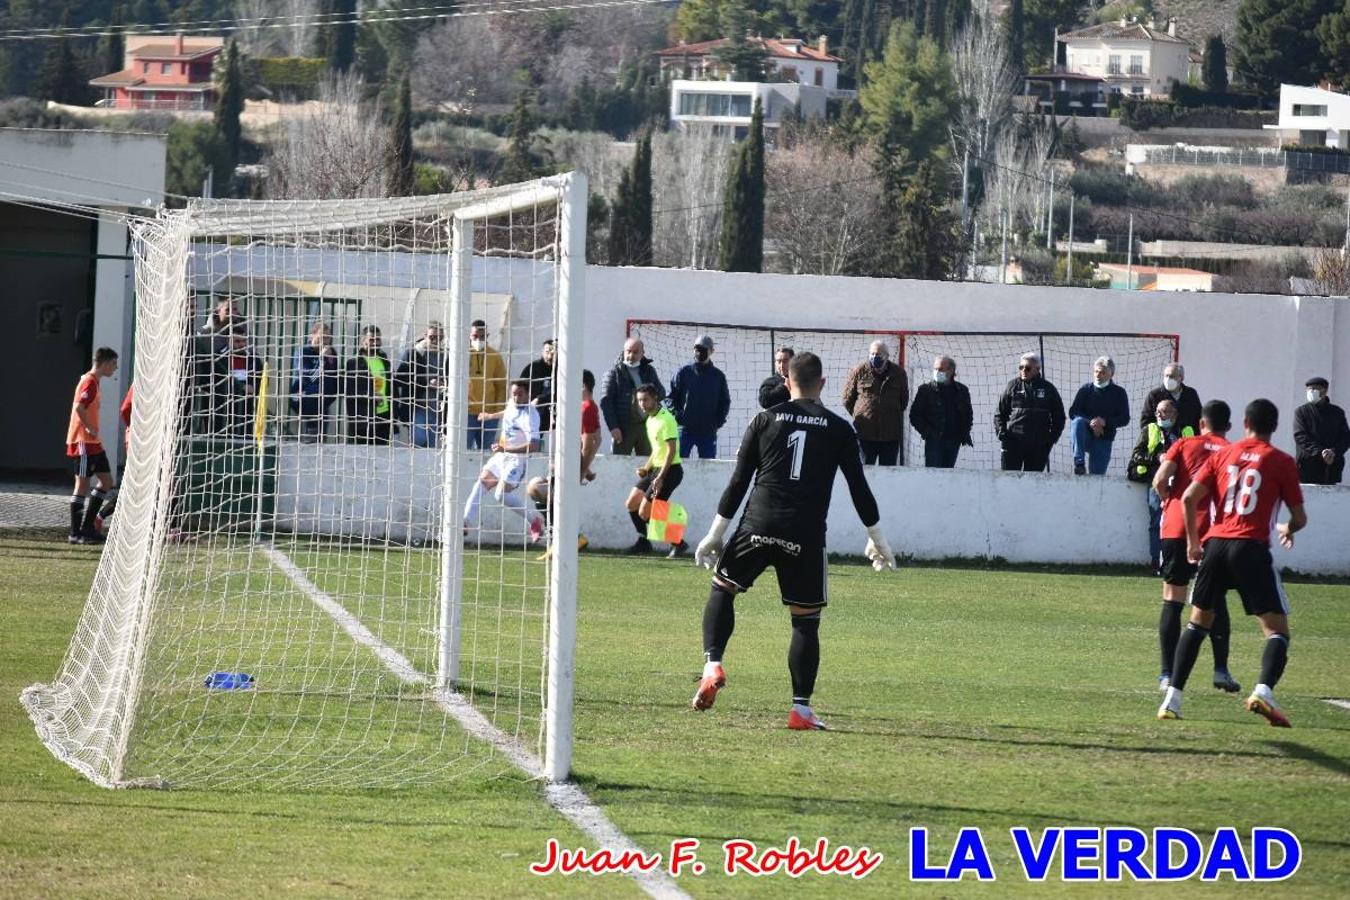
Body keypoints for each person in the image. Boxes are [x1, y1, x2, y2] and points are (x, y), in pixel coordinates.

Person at [690, 351, 897, 731]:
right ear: (821, 385)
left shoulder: (764, 419)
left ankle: (713, 663)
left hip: (757, 523)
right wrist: (877, 539)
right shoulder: (838, 428)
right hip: (804, 534)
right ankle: (800, 710)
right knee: (805, 623)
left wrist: (715, 533)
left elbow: (738, 483)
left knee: (723, 589)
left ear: (787, 382)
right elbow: (859, 488)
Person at [1158, 399, 1307, 728]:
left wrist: (1195, 543)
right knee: (1276, 631)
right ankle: (1263, 691)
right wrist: (1287, 528)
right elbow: (1299, 517)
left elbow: (1187, 498)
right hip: (1250, 548)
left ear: (1244, 423)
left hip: (1216, 545)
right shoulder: (1280, 460)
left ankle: (1172, 698)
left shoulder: (1222, 455)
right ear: (1275, 427)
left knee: (1197, 624)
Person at [1151, 400, 1239, 694]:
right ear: (1228, 426)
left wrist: (1167, 500)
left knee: (1173, 598)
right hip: (1215, 532)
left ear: (1202, 423)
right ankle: (1221, 670)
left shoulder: (1185, 443)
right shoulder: (1232, 452)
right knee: (1214, 599)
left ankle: (1167, 674)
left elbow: (1159, 480)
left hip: (1176, 526)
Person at [527, 369, 602, 558]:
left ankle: (565, 539)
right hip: (567, 461)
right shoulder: (587, 406)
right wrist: (587, 467)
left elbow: (589, 442)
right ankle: (564, 539)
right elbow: (597, 439)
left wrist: (582, 470)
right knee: (540, 491)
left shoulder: (586, 407)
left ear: (582, 385)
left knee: (536, 488)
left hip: (568, 464)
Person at [463, 379, 544, 543]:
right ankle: (465, 522)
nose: (515, 397)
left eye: (519, 394)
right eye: (513, 394)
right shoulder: (512, 403)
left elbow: (534, 446)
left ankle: (534, 519)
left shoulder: (531, 416)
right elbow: (508, 411)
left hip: (516, 460)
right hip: (501, 455)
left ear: (528, 394)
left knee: (500, 495)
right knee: (480, 483)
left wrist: (505, 450)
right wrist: (491, 416)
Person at [623, 383, 686, 557]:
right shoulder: (650, 420)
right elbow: (658, 450)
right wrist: (646, 467)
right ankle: (644, 542)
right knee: (631, 504)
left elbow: (671, 451)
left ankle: (678, 543)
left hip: (670, 471)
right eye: (639, 401)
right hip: (655, 470)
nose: (642, 404)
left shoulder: (666, 419)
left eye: (645, 400)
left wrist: (660, 477)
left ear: (655, 398)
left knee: (645, 512)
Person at [1130, 399, 1193, 573]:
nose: (1158, 414)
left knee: (1185, 521)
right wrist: (1157, 458)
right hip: (1157, 482)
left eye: (1163, 411)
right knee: (1157, 522)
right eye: (1157, 411)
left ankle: (1184, 561)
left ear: (1174, 414)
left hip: (1181, 484)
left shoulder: (1186, 431)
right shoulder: (1149, 429)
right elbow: (1137, 455)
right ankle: (1156, 561)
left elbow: (1194, 456)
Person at [67, 347, 120, 545]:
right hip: (83, 442)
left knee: (106, 481)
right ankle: (75, 532)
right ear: (105, 363)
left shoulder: (94, 382)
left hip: (94, 444)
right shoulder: (89, 382)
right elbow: (79, 407)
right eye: (114, 364)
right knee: (81, 485)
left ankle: (88, 527)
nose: (115, 368)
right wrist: (89, 427)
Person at [994, 352, 1066, 472]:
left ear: (1038, 369)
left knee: (1033, 484)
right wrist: (1002, 434)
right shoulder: (1012, 386)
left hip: (1038, 445)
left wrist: (1051, 439)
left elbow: (1059, 416)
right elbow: (999, 413)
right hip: (1013, 442)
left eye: (1027, 368)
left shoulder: (1048, 388)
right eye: (1021, 367)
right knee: (1008, 480)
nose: (1023, 371)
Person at [842, 339, 909, 465]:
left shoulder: (899, 373)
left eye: (878, 354)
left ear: (886, 356)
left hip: (890, 435)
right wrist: (862, 414)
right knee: (865, 471)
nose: (874, 357)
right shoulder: (859, 371)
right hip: (865, 434)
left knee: (889, 473)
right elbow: (847, 399)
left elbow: (903, 401)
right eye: (872, 353)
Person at [668, 334, 731, 459]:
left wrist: (718, 422)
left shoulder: (718, 376)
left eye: (703, 349)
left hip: (708, 432)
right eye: (697, 349)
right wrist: (678, 417)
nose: (699, 352)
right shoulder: (683, 372)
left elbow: (724, 401)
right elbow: (671, 398)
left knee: (708, 469)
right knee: (677, 465)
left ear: (711, 351)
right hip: (684, 430)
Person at [600, 337, 664, 456]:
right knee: (619, 465)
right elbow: (606, 402)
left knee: (647, 465)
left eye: (635, 352)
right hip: (623, 428)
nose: (631, 355)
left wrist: (650, 398)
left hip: (646, 426)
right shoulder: (613, 373)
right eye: (628, 351)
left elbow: (661, 393)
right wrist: (613, 427)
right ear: (624, 351)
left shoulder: (649, 371)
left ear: (642, 353)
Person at [1068, 356, 1131, 475]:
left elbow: (1124, 418)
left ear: (1111, 374)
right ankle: (1079, 463)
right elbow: (1073, 411)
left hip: (1104, 437)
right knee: (1077, 422)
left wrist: (1104, 422)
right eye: (1096, 371)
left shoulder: (1119, 393)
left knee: (1097, 477)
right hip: (1085, 435)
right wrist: (1092, 422)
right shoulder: (1085, 389)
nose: (1098, 375)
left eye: (1102, 372)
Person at [908, 355, 973, 468]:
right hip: (934, 441)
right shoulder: (926, 390)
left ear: (951, 371)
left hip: (954, 441)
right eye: (935, 369)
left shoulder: (962, 390)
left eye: (941, 369)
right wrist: (927, 433)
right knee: (933, 474)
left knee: (948, 474)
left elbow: (968, 414)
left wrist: (964, 432)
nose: (937, 372)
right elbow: (915, 415)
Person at [394, 321, 447, 448]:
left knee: (433, 446)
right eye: (432, 337)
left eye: (439, 338)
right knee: (419, 442)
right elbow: (401, 378)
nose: (435, 340)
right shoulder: (413, 353)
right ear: (425, 335)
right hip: (418, 406)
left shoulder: (446, 355)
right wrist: (427, 382)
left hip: (438, 407)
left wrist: (443, 383)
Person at [1293, 377, 1349, 485]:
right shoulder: (1301, 412)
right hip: (1307, 468)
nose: (1310, 392)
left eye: (1314, 389)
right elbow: (1300, 436)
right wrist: (1321, 452)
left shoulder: (1337, 413)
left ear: (1324, 391)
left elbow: (1345, 438)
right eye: (1308, 390)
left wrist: (1334, 452)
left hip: (1331, 468)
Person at [344, 325, 393, 445]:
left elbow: (391, 388)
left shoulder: (385, 362)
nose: (375, 342)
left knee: (382, 457)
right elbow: (349, 391)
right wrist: (371, 396)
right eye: (371, 340)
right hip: (362, 420)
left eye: (378, 339)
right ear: (363, 341)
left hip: (383, 418)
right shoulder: (353, 363)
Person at [290, 321, 339, 441]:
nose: (325, 341)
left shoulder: (332, 353)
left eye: (328, 338)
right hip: (305, 400)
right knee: (310, 441)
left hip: (323, 402)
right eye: (322, 337)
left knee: (322, 440)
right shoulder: (303, 352)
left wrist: (332, 395)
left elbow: (334, 376)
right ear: (312, 336)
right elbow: (308, 379)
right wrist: (322, 359)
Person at [211, 324, 263, 438]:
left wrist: (252, 386)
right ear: (228, 341)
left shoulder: (254, 358)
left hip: (246, 407)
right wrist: (241, 386)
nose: (241, 345)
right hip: (224, 405)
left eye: (244, 341)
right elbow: (217, 380)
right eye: (237, 341)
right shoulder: (219, 358)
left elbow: (261, 379)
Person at [467, 319, 508, 451]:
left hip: (489, 414)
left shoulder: (495, 356)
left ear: (487, 336)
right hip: (467, 412)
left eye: (482, 336)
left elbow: (501, 385)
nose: (479, 339)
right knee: (464, 450)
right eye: (475, 336)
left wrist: (497, 411)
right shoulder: (462, 354)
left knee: (486, 452)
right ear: (469, 335)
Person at [1141, 362, 1202, 434]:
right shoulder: (1154, 395)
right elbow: (1145, 421)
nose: (1168, 379)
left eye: (1172, 376)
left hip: (1186, 440)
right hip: (1163, 441)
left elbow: (1199, 417)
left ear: (1181, 378)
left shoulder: (1190, 394)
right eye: (1166, 376)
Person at [519, 338, 555, 434]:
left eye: (553, 353)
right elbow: (520, 387)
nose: (550, 356)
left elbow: (559, 393)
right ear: (542, 352)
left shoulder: (561, 371)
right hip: (530, 413)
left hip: (550, 417)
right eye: (547, 352)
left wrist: (540, 399)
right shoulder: (532, 368)